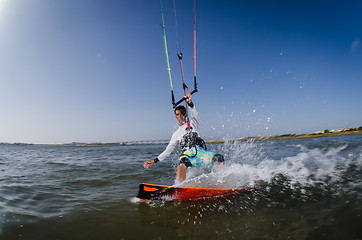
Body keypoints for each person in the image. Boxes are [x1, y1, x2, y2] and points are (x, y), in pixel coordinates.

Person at [143, 92, 224, 184]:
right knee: (182, 163)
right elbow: (168, 151)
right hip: (188, 155)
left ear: (185, 115)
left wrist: (189, 102)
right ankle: (180, 187)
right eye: (177, 114)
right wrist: (154, 161)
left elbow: (194, 113)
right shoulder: (176, 134)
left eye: (182, 114)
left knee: (219, 158)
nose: (180, 116)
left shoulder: (194, 123)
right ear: (175, 116)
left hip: (201, 154)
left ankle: (221, 182)